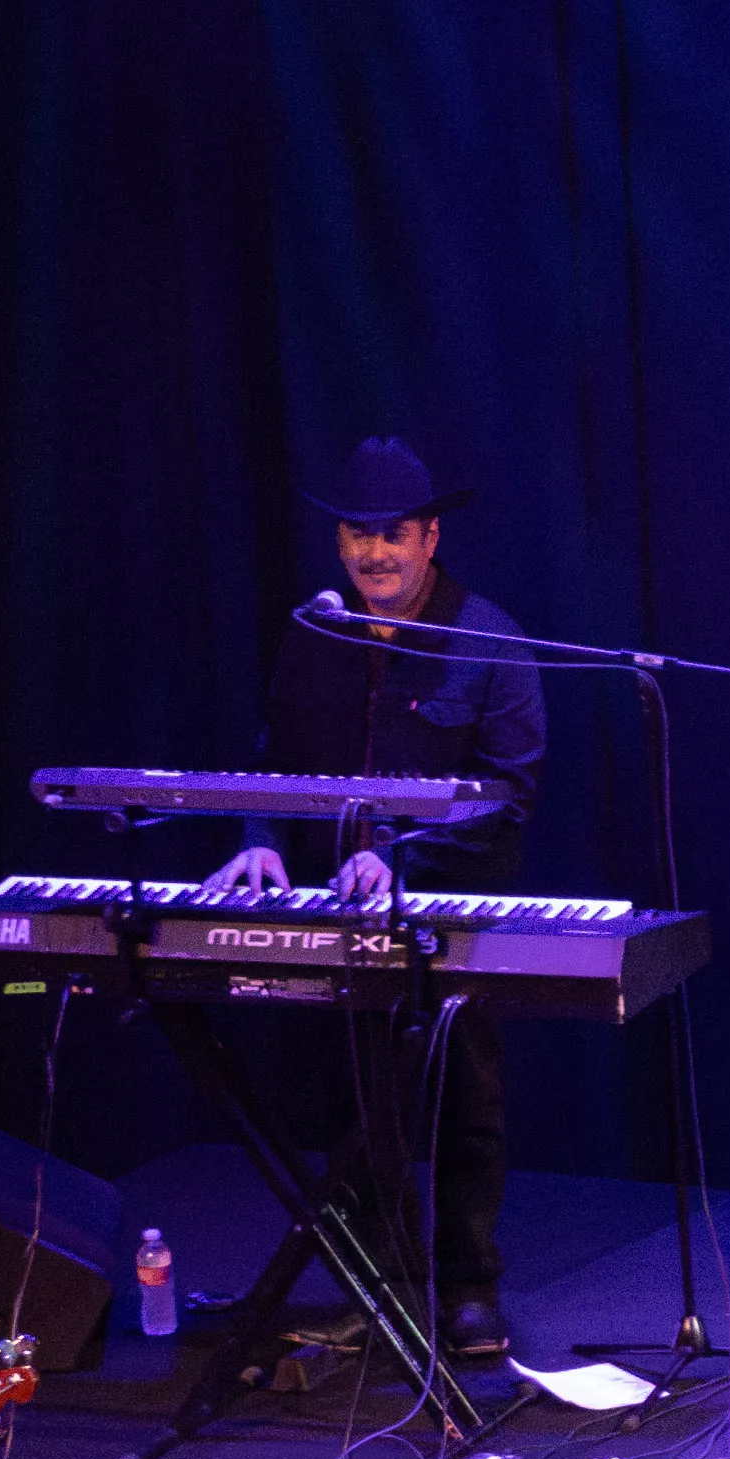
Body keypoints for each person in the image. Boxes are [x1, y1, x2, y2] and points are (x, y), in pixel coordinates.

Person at [201, 434, 549, 1360]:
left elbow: (508, 796)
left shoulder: (489, 641)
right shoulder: (314, 631)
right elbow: (273, 762)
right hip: (338, 914)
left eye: (392, 535)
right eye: (358, 535)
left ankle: (471, 1288)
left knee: (463, 1096)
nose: (374, 554)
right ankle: (382, 1284)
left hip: (452, 913)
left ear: (430, 537)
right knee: (353, 1104)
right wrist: (263, 842)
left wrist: (403, 859)